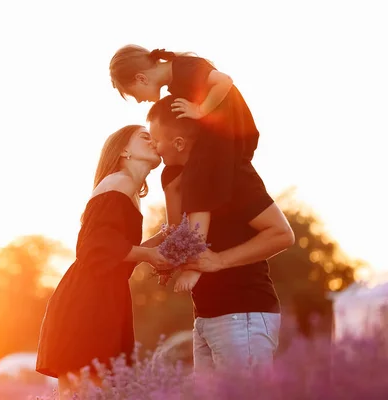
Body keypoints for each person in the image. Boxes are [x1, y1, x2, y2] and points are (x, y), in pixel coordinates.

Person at [146, 95, 295, 373]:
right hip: (205, 316)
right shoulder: (183, 180)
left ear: (179, 143)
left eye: (155, 138)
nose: (153, 145)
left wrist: (219, 261)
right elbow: (178, 233)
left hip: (243, 314)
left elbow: (282, 234)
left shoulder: (234, 175)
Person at [110, 45, 262, 290]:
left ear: (141, 78)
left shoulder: (184, 69)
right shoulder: (175, 82)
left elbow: (225, 81)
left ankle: (194, 263)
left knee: (198, 189)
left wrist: (201, 110)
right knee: (174, 176)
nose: (139, 100)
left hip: (233, 134)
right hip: (215, 135)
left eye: (135, 93)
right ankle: (176, 250)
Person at [36, 125, 169, 397]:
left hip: (102, 296)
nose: (153, 141)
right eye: (145, 137)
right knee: (87, 392)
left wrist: (164, 239)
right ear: (124, 151)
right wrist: (148, 254)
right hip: (89, 302)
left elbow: (118, 255)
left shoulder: (127, 189)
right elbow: (93, 248)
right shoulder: (119, 182)